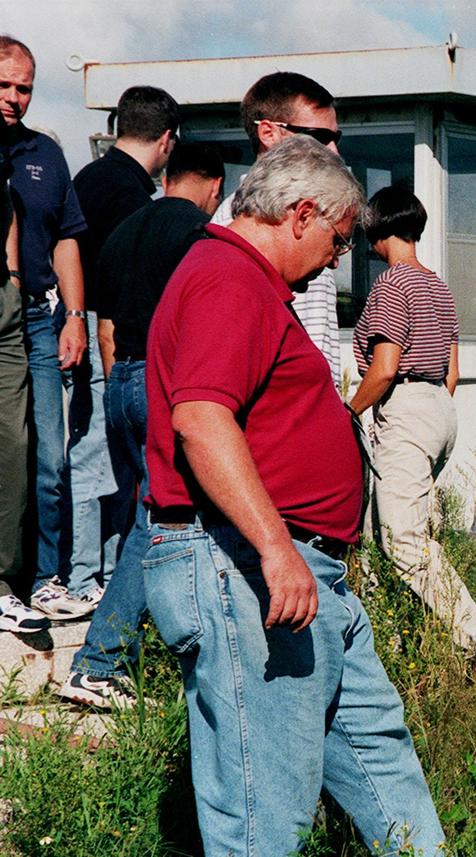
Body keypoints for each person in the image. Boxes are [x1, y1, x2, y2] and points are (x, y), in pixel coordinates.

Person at [143, 136, 444, 855]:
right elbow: (202, 419)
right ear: (301, 213)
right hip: (247, 568)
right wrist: (277, 549)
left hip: (306, 577)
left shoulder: (248, 283)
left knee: (382, 761)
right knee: (262, 814)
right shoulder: (227, 277)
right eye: (339, 240)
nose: (341, 257)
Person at [60, 142, 223, 708]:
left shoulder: (125, 230)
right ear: (215, 187)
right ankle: (100, 662)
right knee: (164, 520)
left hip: (121, 379)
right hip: (164, 382)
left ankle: (131, 656)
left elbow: (106, 329)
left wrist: (121, 390)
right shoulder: (199, 236)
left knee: (146, 519)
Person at [348, 185, 476, 657]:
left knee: (400, 538)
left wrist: (348, 410)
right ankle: (382, 644)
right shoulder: (437, 284)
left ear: (379, 232)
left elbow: (386, 366)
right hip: (439, 408)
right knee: (379, 533)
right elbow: (453, 372)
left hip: (407, 405)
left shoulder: (392, 284)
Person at [69, 85, 181, 607]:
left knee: (93, 455)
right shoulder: (133, 198)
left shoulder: (90, 177)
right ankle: (85, 578)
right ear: (166, 140)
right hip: (100, 334)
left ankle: (94, 572)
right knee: (99, 459)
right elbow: (122, 296)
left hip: (76, 325)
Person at [0, 34, 92, 621]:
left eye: (24, 87)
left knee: (48, 456)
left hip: (37, 314)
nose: (14, 97)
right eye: (4, 85)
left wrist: (75, 317)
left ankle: (46, 578)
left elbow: (67, 239)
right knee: (8, 448)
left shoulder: (46, 154)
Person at [212, 71, 343, 387]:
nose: (334, 153)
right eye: (319, 137)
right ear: (269, 132)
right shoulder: (240, 221)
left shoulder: (309, 212)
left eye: (336, 139)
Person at [0, 131, 47, 632]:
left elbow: (7, 204)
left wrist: (13, 277)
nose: (14, 97)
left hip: (4, 308)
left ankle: (3, 586)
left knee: (13, 446)